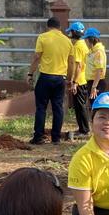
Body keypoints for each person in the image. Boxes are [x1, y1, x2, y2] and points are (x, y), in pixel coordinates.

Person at [29, 17, 72, 145]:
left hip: (45, 77)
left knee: (41, 107)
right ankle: (56, 138)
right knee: (58, 108)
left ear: (48, 27)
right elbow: (71, 62)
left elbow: (37, 57)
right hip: (60, 79)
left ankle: (38, 137)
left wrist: (30, 73)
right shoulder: (67, 41)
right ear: (59, 27)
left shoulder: (43, 37)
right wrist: (70, 78)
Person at [66, 22, 90, 137]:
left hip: (79, 81)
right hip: (82, 79)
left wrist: (74, 82)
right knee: (80, 105)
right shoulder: (83, 44)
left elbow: (78, 66)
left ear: (74, 32)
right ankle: (82, 129)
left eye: (71, 31)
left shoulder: (77, 47)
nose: (70, 33)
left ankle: (84, 130)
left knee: (80, 106)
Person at [83, 27, 107, 101]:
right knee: (92, 105)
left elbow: (99, 70)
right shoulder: (92, 51)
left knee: (96, 106)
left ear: (90, 40)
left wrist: (94, 87)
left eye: (86, 40)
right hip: (92, 82)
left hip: (97, 83)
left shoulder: (98, 52)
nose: (85, 42)